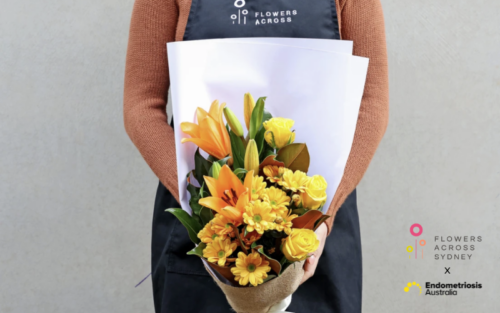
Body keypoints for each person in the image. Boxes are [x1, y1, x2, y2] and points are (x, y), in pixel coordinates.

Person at [123, 0, 388, 311]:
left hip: (314, 227)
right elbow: (141, 104)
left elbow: (371, 105)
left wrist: (319, 217)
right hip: (207, 227)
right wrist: (205, 209)